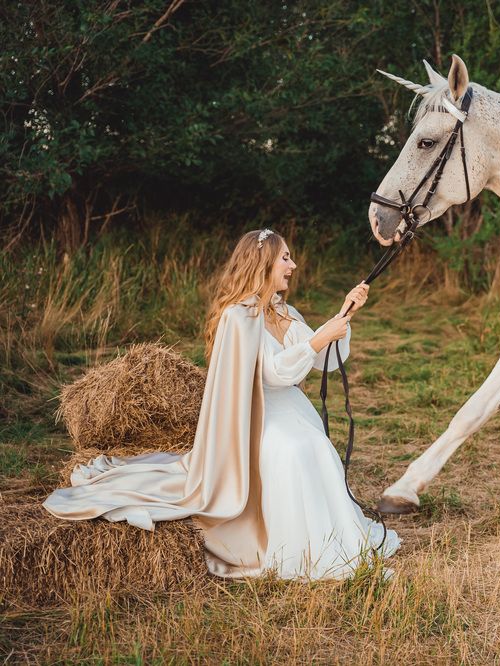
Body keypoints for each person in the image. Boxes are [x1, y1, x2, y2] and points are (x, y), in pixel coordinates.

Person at [43, 228, 400, 580]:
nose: (293, 265)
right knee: (293, 450)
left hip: (291, 410)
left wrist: (344, 317)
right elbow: (276, 372)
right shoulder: (238, 316)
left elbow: (321, 359)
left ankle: (332, 539)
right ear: (262, 263)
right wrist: (322, 336)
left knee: (317, 446)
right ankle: (297, 550)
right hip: (257, 417)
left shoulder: (287, 312)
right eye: (285, 258)